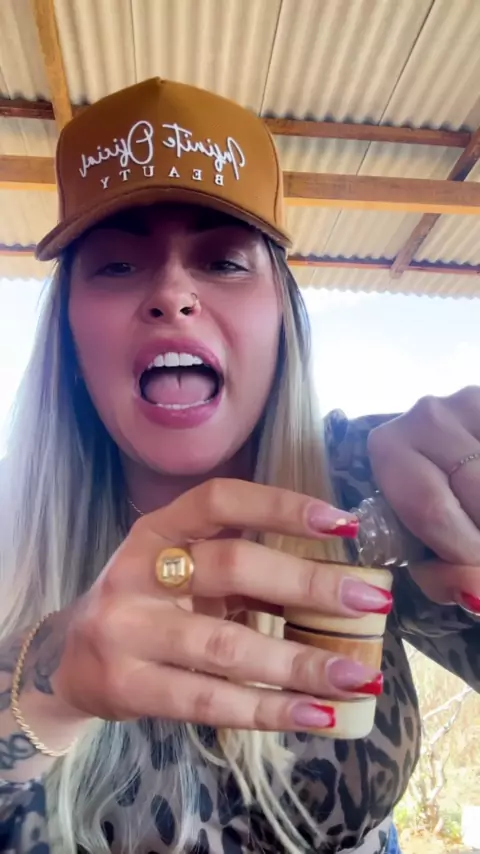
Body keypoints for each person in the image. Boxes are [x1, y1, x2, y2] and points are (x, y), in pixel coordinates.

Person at [0, 77, 479, 854]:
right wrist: (50, 683)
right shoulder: (7, 530)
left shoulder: (368, 483)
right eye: (116, 266)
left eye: (224, 262)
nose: (172, 293)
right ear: (68, 338)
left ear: (284, 318)